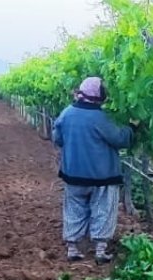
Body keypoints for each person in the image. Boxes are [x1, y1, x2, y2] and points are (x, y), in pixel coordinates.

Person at [52, 77, 135, 264]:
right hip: (102, 176)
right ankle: (100, 251)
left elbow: (57, 138)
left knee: (74, 209)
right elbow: (120, 139)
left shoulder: (67, 113)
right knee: (103, 210)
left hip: (73, 174)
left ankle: (72, 248)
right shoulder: (101, 118)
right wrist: (132, 128)